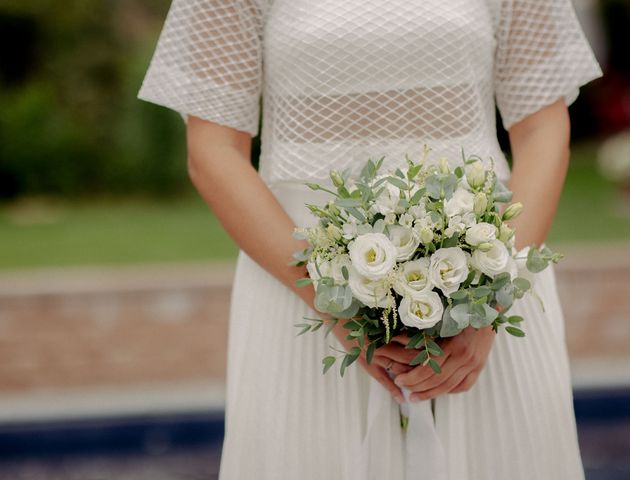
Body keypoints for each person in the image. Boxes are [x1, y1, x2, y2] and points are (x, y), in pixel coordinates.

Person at [137, 1, 603, 478]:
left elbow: (542, 128)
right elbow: (214, 150)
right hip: (301, 290)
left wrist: (488, 304)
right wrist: (330, 300)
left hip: (485, 293)